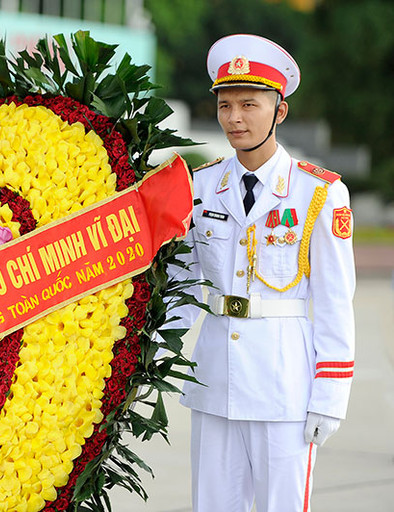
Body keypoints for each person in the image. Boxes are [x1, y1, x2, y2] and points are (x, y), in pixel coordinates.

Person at [170, 34, 355, 511]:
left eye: (249, 104)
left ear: (280, 111)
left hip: (284, 388)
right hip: (214, 381)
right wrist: (147, 357)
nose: (234, 117)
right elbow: (184, 284)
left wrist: (329, 395)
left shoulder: (318, 193)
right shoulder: (202, 186)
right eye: (225, 105)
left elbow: (335, 302)